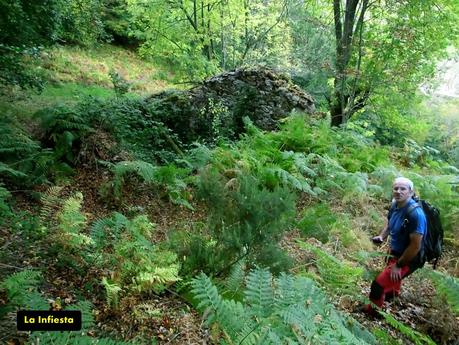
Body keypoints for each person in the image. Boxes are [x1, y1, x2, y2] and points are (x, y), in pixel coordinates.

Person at [361, 177, 427, 316]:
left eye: (403, 189)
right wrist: (382, 236)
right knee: (391, 279)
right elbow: (390, 222)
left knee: (377, 286)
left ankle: (372, 312)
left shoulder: (416, 214)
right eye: (396, 188)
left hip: (409, 258)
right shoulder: (394, 205)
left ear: (411, 192)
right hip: (395, 252)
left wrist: (399, 265)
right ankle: (391, 295)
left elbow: (415, 246)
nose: (398, 191)